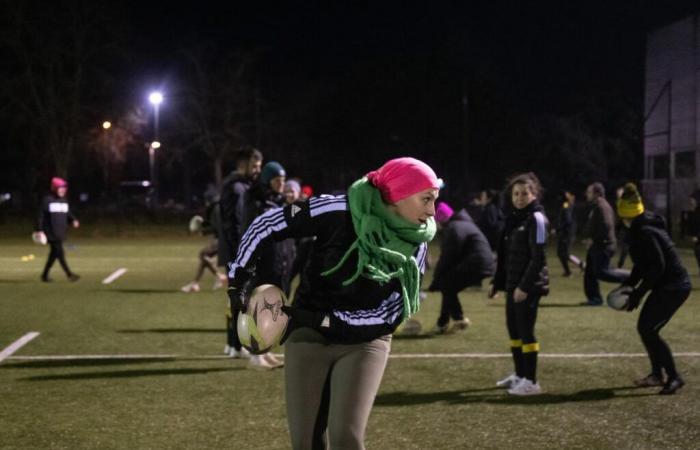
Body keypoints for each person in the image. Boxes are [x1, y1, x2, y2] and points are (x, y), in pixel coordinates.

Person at [227, 157, 439, 449]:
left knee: (346, 438)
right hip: (308, 335)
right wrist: (239, 278)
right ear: (397, 195)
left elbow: (389, 314)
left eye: (434, 200)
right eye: (426, 199)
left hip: (365, 341)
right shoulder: (337, 208)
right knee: (305, 442)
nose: (432, 211)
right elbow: (266, 223)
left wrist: (321, 319)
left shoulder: (417, 241)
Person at [615, 183, 690, 395]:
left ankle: (674, 377)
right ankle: (657, 375)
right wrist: (629, 284)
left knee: (648, 329)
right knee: (647, 329)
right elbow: (642, 264)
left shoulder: (644, 232)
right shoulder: (641, 226)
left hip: (675, 287)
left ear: (625, 213)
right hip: (666, 285)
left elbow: (657, 266)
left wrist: (638, 293)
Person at [488, 173, 549, 396]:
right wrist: (498, 283)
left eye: (525, 193)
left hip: (528, 286)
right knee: (514, 332)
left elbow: (538, 258)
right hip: (513, 285)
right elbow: (506, 256)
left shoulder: (537, 219)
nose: (520, 197)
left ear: (534, 194)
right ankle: (520, 375)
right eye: (516, 193)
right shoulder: (514, 218)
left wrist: (524, 287)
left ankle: (532, 382)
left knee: (526, 332)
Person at [219, 147, 263, 359]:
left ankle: (232, 344)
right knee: (241, 297)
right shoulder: (237, 188)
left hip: (235, 251)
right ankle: (237, 345)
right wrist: (243, 252)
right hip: (237, 253)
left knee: (237, 297)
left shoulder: (240, 186)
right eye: (254, 166)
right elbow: (235, 224)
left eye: (259, 166)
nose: (257, 170)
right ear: (243, 164)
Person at [428, 201, 495, 334]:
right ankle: (442, 323)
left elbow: (448, 256)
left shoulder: (453, 228)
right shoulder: (463, 223)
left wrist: (436, 279)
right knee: (448, 288)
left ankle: (459, 319)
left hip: (477, 262)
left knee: (446, 285)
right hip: (484, 262)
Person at [581, 182, 629, 306]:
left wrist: (594, 239)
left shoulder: (601, 206)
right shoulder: (598, 205)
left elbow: (606, 226)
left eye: (589, 192)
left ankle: (629, 277)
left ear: (596, 193)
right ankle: (594, 298)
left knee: (601, 272)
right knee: (590, 273)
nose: (587, 194)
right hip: (598, 244)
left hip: (603, 245)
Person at [181, 186, 228, 293]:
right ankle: (195, 284)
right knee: (205, 259)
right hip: (224, 237)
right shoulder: (219, 207)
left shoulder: (216, 208)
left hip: (223, 238)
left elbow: (218, 227)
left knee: (203, 254)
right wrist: (204, 226)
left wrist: (203, 231)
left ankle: (220, 276)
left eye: (206, 200)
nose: (205, 203)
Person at [35, 177, 80, 282]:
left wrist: (73, 220)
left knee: (54, 254)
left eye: (64, 188)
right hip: (51, 233)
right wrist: (39, 230)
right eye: (60, 188)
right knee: (60, 252)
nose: (63, 190)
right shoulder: (47, 200)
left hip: (61, 232)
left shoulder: (64, 200)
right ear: (54, 188)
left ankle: (44, 275)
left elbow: (67, 214)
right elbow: (40, 216)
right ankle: (69, 274)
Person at [555, 190, 583, 277]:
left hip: (566, 234)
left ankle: (573, 269)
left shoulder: (567, 205)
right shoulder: (568, 205)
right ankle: (574, 268)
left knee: (564, 254)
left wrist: (559, 229)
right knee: (562, 254)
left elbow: (567, 220)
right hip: (567, 233)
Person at [687, 193, 700, 275]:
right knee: (697, 252)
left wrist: (697, 237)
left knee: (698, 251)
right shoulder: (694, 212)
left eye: (692, 200)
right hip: (697, 238)